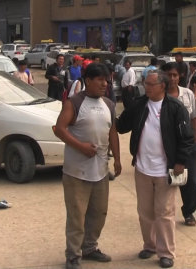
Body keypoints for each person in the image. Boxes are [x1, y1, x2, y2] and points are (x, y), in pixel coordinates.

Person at [117, 70, 194, 269]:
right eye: (145, 83)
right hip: (142, 168)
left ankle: (166, 253)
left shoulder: (175, 107)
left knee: (165, 212)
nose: (146, 87)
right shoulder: (140, 104)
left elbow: (187, 138)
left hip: (165, 170)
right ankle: (149, 245)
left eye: (150, 84)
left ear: (162, 86)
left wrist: (180, 162)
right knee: (145, 212)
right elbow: (121, 126)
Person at [54, 62, 122, 269]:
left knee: (98, 213)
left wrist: (118, 159)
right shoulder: (74, 103)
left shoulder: (109, 104)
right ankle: (73, 255)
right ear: (88, 80)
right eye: (100, 79)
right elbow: (59, 129)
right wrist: (81, 146)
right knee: (77, 216)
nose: (105, 83)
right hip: (76, 172)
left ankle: (90, 248)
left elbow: (112, 133)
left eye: (106, 79)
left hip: (101, 170)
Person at [161, 62, 196, 227]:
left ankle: (189, 211)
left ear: (180, 76)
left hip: (187, 145)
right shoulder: (159, 95)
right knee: (164, 182)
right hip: (165, 146)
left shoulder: (188, 94)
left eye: (175, 75)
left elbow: (195, 118)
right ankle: (163, 214)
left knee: (190, 181)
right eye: (169, 75)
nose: (172, 78)